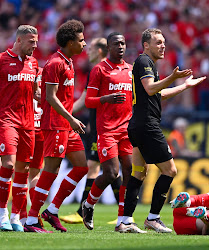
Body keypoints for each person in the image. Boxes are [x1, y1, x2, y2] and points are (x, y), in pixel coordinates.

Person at [117, 28, 206, 233]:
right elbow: (150, 89)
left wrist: (184, 86)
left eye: (164, 41)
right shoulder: (144, 62)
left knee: (138, 174)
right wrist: (173, 78)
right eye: (158, 42)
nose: (163, 45)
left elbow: (158, 94)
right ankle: (153, 218)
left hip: (137, 124)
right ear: (146, 45)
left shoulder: (147, 65)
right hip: (147, 125)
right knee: (170, 170)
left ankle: (125, 220)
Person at [24, 19, 88, 233]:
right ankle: (32, 220)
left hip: (67, 125)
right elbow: (50, 97)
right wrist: (71, 118)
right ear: (70, 43)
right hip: (55, 125)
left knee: (82, 167)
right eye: (81, 40)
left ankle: (51, 210)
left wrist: (70, 120)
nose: (84, 43)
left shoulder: (68, 62)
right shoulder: (55, 64)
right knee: (50, 170)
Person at [60, 37, 122, 224]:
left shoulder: (102, 70)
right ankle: (124, 213)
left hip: (105, 128)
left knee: (101, 168)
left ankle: (84, 211)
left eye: (92, 48)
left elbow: (86, 99)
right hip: (99, 125)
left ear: (101, 50)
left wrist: (63, 112)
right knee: (106, 169)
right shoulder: (101, 69)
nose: (87, 50)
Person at [81, 32, 133, 231]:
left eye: (123, 43)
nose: (120, 46)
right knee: (111, 173)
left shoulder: (131, 70)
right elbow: (88, 101)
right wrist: (106, 98)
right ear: (108, 47)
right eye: (116, 43)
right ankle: (88, 204)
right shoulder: (99, 70)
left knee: (128, 172)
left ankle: (123, 220)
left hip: (127, 129)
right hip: (107, 130)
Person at [0, 25, 39, 231]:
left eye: (36, 41)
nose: (35, 45)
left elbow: (35, 92)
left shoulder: (33, 63)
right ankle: (2, 213)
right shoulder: (2, 60)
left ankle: (15, 217)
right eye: (31, 41)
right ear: (19, 41)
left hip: (28, 123)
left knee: (23, 169)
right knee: (8, 163)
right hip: (6, 120)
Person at [11, 67, 44, 229]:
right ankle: (30, 215)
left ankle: (22, 215)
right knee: (32, 174)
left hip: (26, 128)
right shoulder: (46, 74)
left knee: (20, 172)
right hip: (39, 128)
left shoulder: (20, 76)